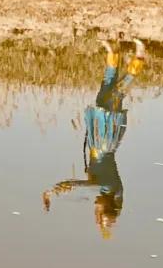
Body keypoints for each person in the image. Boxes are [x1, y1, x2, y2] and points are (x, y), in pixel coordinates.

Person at [42, 39, 147, 239]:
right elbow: (79, 185)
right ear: (107, 205)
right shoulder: (108, 188)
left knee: (106, 91)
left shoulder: (108, 190)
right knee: (116, 94)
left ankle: (114, 53)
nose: (95, 206)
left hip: (99, 141)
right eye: (98, 210)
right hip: (105, 138)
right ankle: (139, 58)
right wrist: (55, 191)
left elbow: (84, 188)